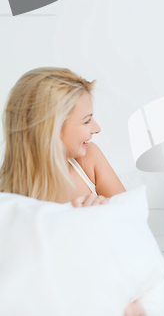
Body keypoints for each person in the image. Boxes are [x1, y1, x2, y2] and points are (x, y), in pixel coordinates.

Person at [0, 67, 144, 316]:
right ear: (51, 128)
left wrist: (101, 222)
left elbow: (136, 232)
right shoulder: (8, 199)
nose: (97, 128)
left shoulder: (90, 159)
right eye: (87, 120)